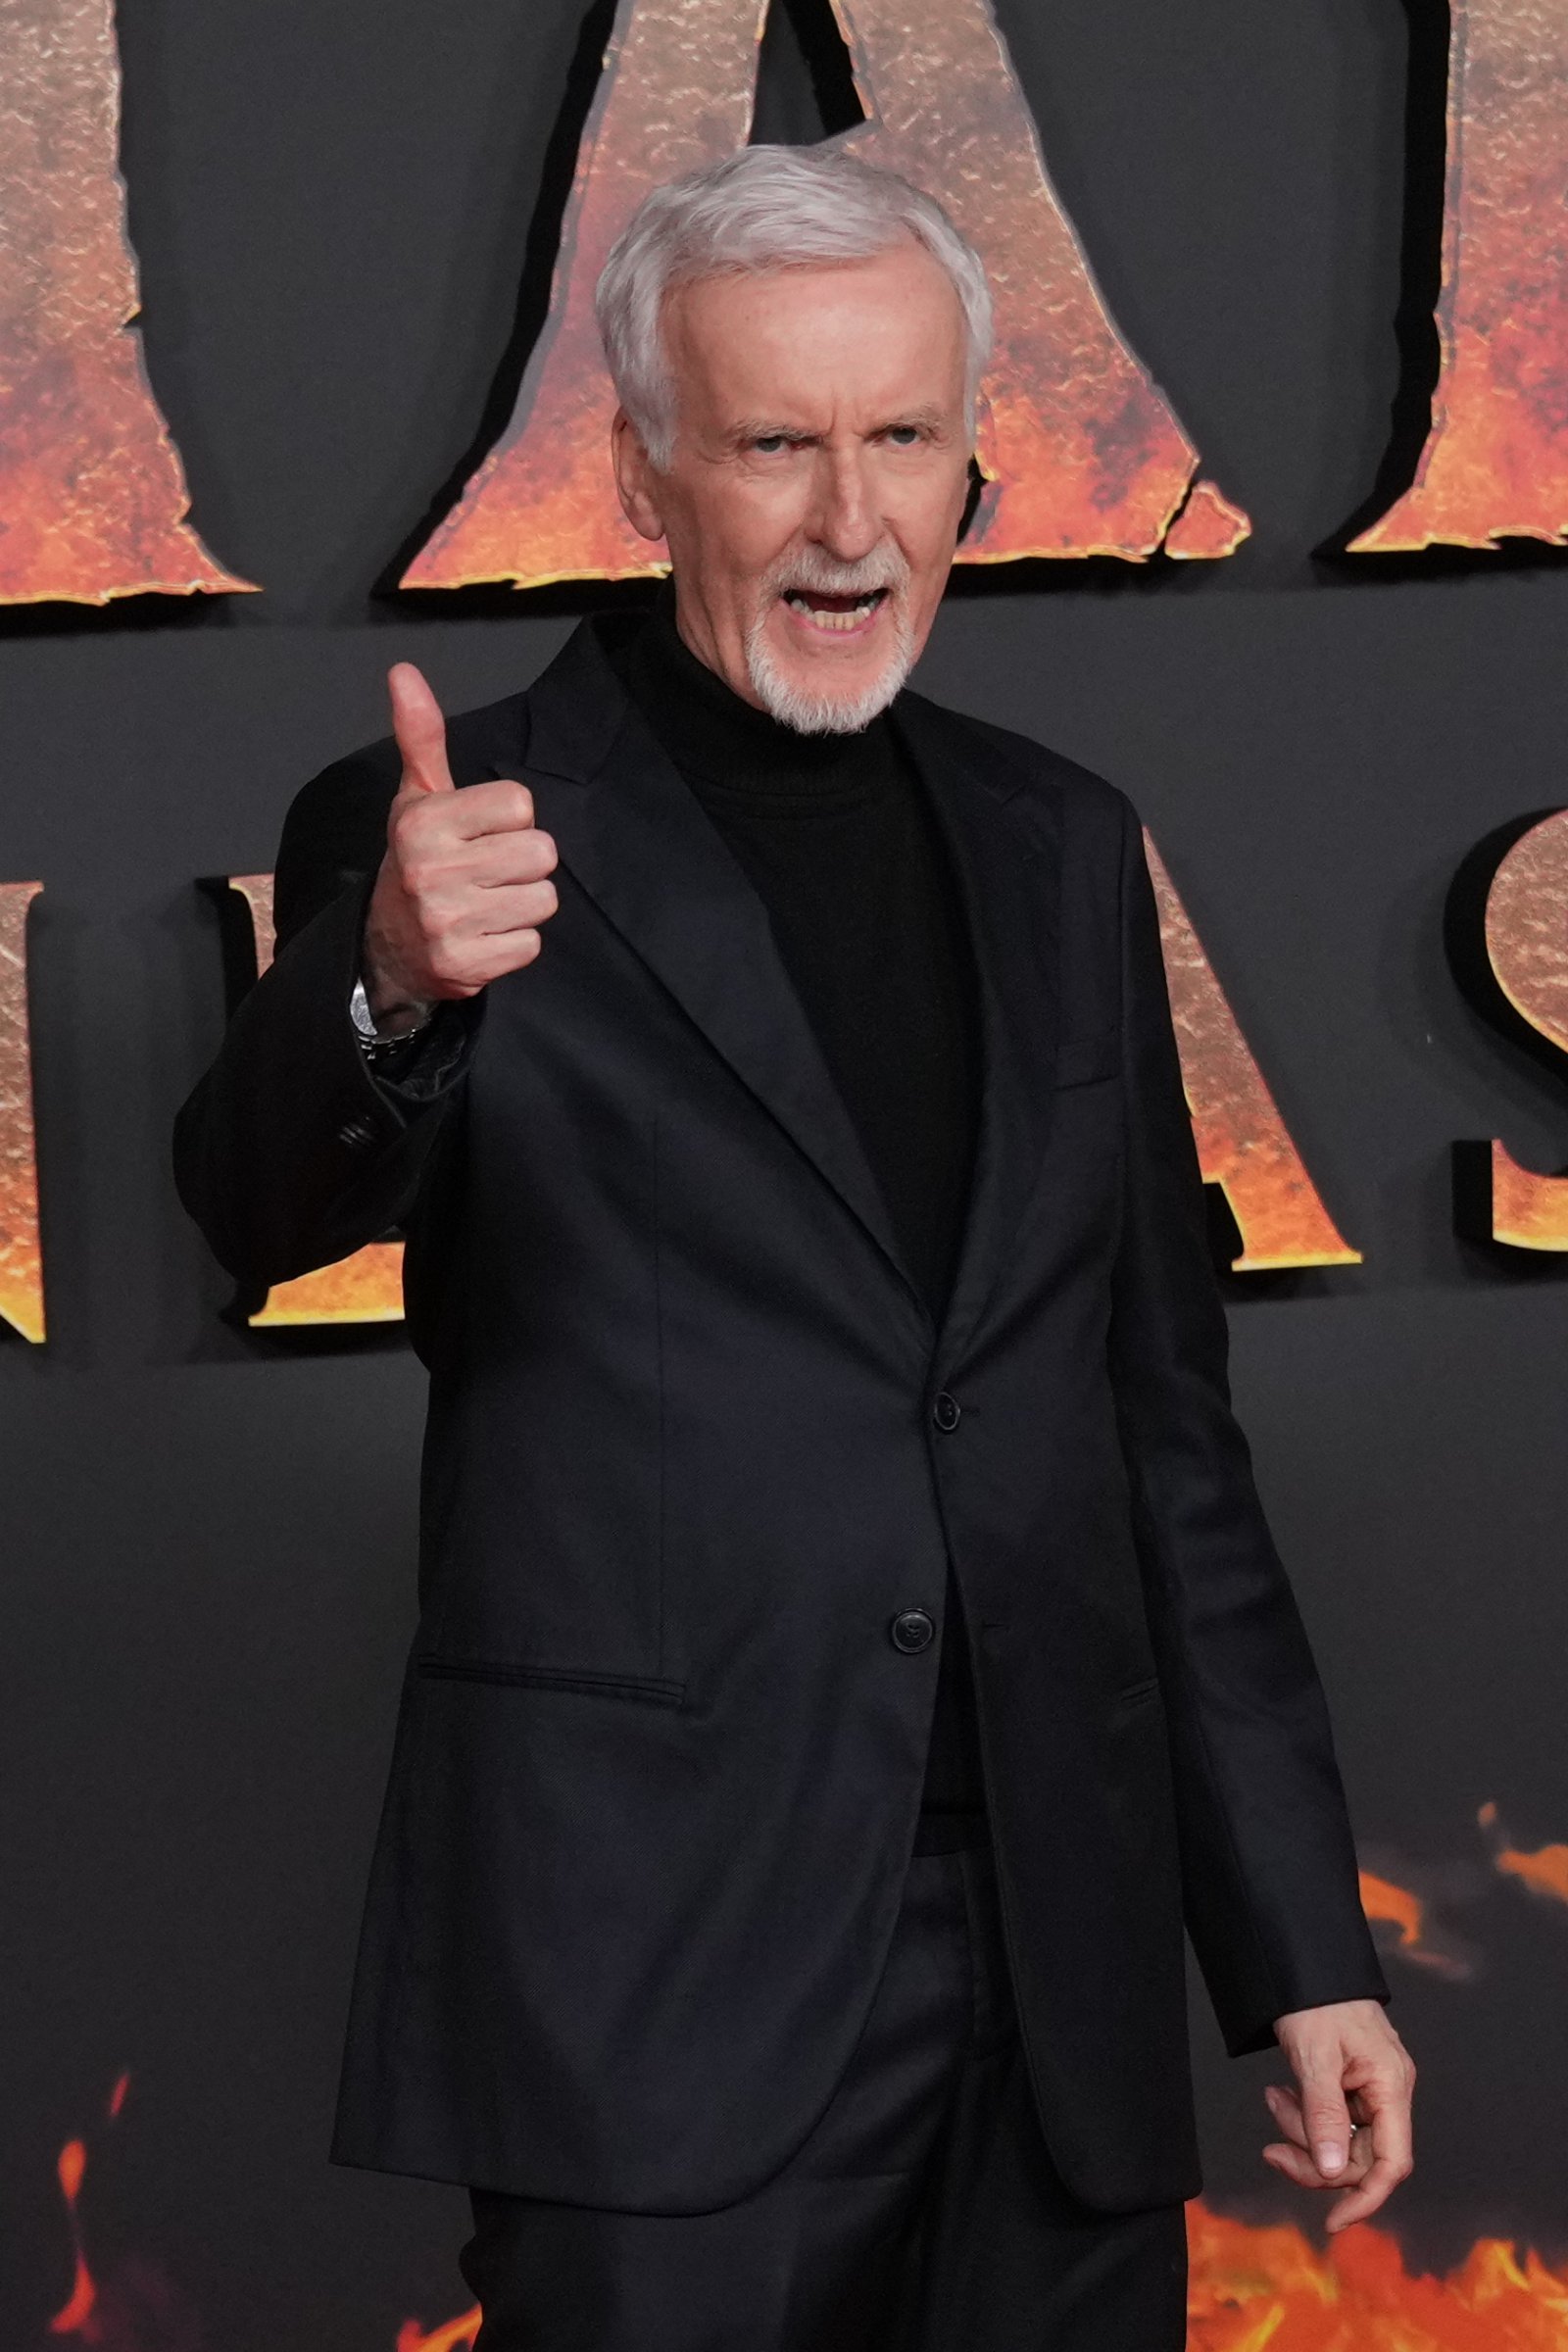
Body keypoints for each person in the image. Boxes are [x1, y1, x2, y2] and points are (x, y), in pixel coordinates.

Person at [174, 144, 1414, 2351]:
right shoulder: (456, 835)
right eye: (773, 444)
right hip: (653, 1984)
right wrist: (386, 989)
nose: (848, 520)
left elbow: (1159, 1443)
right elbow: (256, 1215)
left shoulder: (1058, 844)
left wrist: (1297, 1945)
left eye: (900, 439)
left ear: (968, 467)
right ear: (646, 477)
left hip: (1063, 1985)